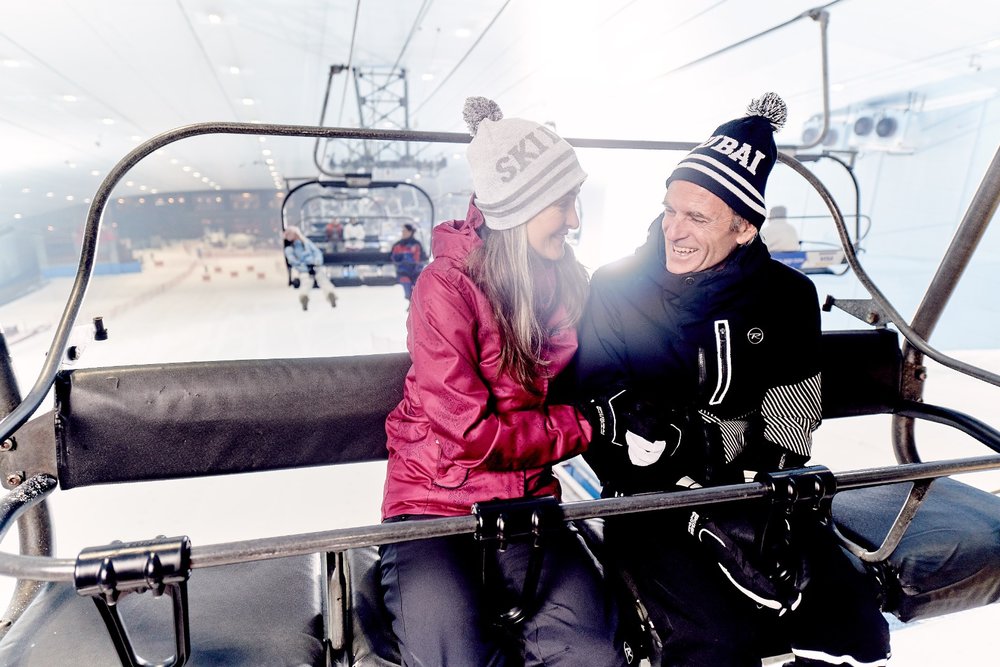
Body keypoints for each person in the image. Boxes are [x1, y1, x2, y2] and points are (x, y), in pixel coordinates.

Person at [574, 93, 890, 667]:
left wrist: (702, 440)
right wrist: (661, 445)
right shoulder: (617, 287)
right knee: (717, 643)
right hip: (648, 504)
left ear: (744, 229)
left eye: (697, 217)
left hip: (759, 494)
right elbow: (603, 413)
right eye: (670, 209)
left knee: (856, 624)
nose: (674, 230)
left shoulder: (786, 298)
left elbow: (793, 417)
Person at [379, 96, 625, 667]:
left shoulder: (570, 280)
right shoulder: (445, 288)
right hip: (435, 503)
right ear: (518, 208)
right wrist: (589, 424)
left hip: (528, 502)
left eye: (575, 201)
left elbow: (604, 365)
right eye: (562, 204)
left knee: (591, 653)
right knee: (451, 656)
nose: (575, 220)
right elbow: (469, 433)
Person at [282, 226, 337, 310]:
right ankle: (304, 297)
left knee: (322, 279)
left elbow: (317, 253)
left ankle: (330, 294)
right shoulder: (290, 249)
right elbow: (293, 261)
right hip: (304, 268)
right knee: (307, 281)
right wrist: (304, 267)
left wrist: (316, 263)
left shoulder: (306, 243)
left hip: (314, 265)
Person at [390, 222, 426, 302]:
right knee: (405, 281)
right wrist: (401, 260)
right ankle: (410, 299)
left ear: (410, 232)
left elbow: (420, 258)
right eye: (402, 231)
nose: (403, 232)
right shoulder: (398, 245)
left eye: (405, 231)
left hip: (416, 270)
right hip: (403, 271)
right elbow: (394, 258)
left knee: (418, 283)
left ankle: (416, 301)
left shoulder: (416, 244)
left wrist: (415, 263)